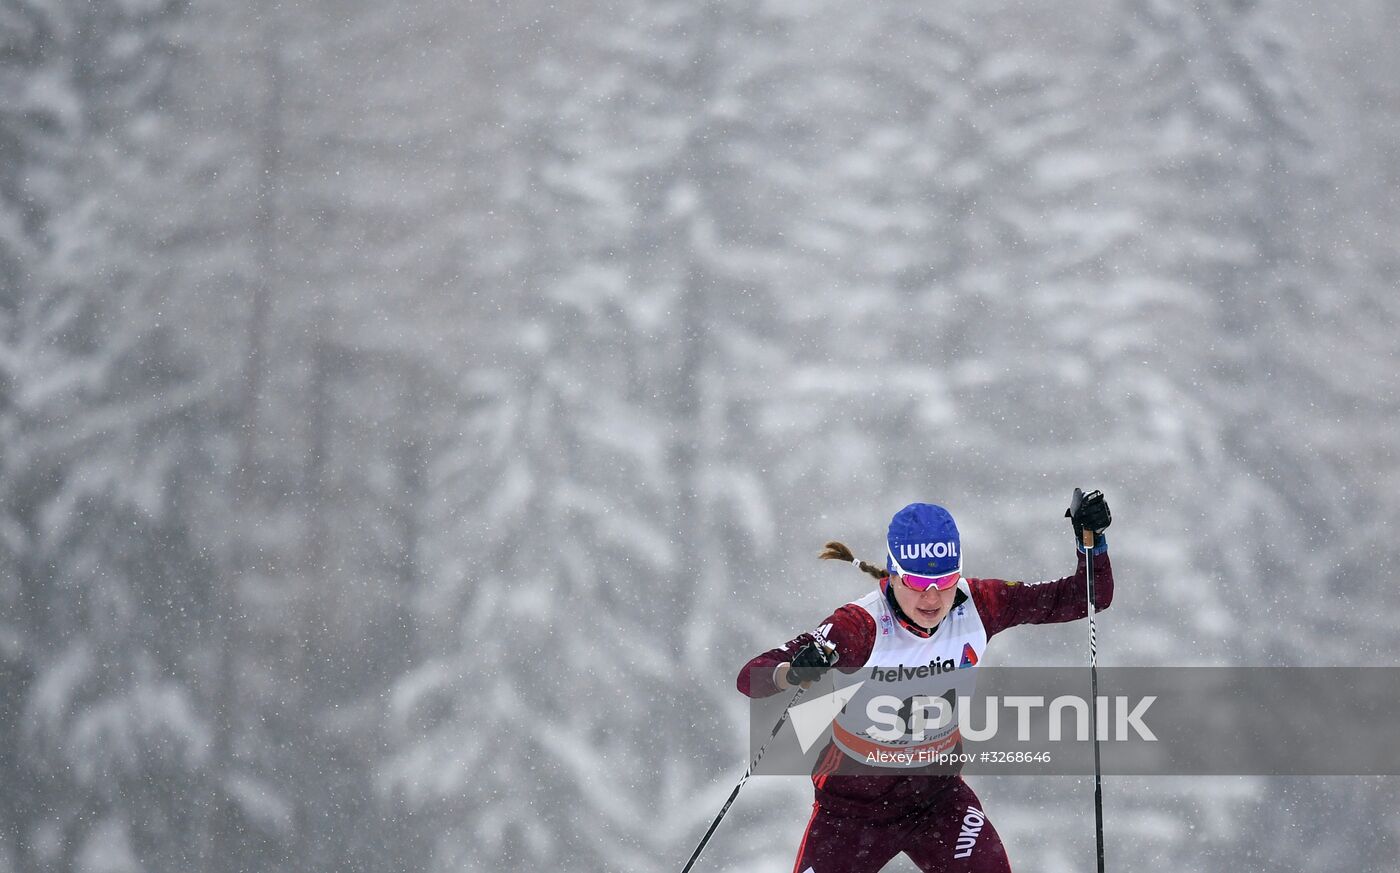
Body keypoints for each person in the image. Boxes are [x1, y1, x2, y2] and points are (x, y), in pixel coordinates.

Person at [736, 491, 1113, 873]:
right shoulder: (859, 626)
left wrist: (1092, 543)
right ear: (894, 573)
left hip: (938, 802)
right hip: (851, 812)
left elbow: (1084, 597)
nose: (932, 597)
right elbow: (751, 676)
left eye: (945, 580)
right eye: (917, 581)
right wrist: (793, 672)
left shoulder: (980, 605)